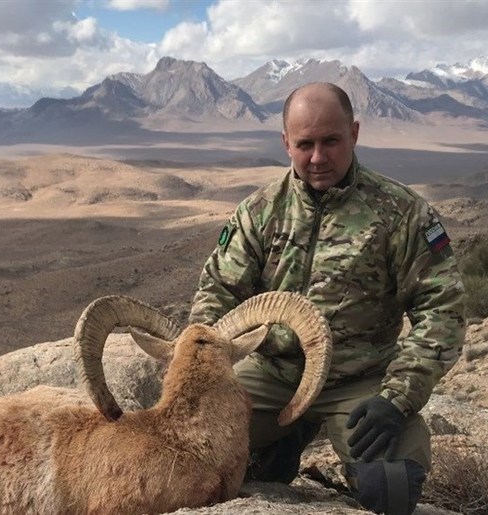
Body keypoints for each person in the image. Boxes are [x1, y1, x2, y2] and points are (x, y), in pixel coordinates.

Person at [188, 82, 465, 515]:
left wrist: (397, 398)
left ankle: (300, 436)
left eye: (331, 141)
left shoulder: (402, 212)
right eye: (305, 144)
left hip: (358, 378)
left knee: (390, 488)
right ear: (286, 144)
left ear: (353, 133)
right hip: (273, 372)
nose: (318, 158)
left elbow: (441, 309)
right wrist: (206, 373)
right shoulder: (259, 211)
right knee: (185, 454)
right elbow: (218, 293)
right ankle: (281, 441)